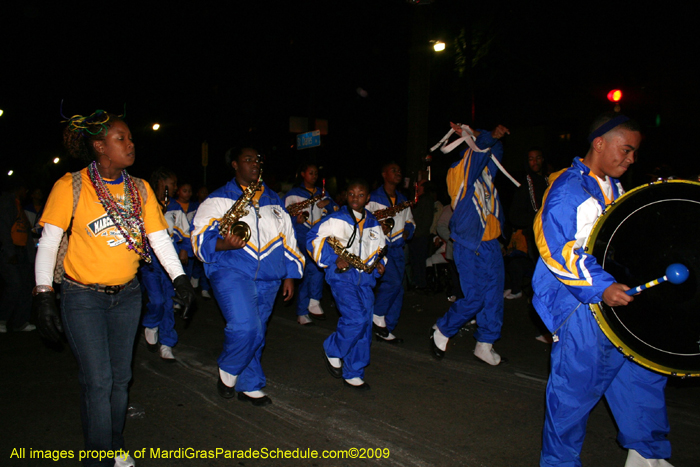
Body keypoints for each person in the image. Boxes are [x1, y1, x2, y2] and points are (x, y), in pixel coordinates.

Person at [32, 110, 195, 467]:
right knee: (99, 380)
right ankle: (99, 457)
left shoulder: (139, 188)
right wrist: (44, 294)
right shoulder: (71, 185)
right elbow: (48, 242)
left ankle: (114, 441)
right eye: (121, 138)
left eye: (130, 138)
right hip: (82, 298)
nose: (130, 143)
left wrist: (180, 279)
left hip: (128, 296)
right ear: (100, 146)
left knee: (121, 378)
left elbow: (158, 239)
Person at [532, 113, 673, 467]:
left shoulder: (615, 189)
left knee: (642, 377)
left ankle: (646, 456)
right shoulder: (568, 188)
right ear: (599, 143)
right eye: (626, 150)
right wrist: (604, 286)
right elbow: (557, 247)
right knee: (573, 395)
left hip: (618, 305)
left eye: (634, 153)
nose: (631, 159)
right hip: (581, 309)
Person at [191, 147, 303, 406]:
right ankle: (229, 370)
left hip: (270, 276)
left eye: (258, 159)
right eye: (248, 159)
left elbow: (289, 241)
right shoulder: (217, 200)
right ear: (234, 165)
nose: (254, 164)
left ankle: (249, 383)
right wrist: (224, 245)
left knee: (258, 332)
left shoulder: (274, 200)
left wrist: (290, 275)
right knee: (245, 326)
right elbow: (197, 241)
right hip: (230, 270)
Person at [429, 122, 510, 365]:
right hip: (468, 244)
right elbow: (478, 153)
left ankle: (485, 344)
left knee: (494, 296)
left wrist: (481, 135)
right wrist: (484, 138)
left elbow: (496, 152)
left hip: (490, 243)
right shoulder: (458, 173)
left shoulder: (484, 173)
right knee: (475, 297)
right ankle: (443, 329)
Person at [308, 179, 386, 390]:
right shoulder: (335, 219)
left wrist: (379, 264)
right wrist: (333, 259)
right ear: (346, 195)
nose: (355, 198)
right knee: (356, 318)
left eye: (360, 194)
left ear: (367, 198)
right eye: (351, 193)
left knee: (364, 328)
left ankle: (354, 372)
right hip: (342, 277)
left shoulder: (374, 223)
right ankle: (333, 348)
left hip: (365, 281)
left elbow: (380, 248)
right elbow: (312, 238)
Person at [140, 167, 191, 361]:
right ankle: (151, 323)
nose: (175, 187)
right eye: (173, 183)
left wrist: (185, 248)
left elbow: (186, 230)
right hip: (151, 261)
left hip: (170, 260)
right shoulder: (145, 202)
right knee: (157, 300)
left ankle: (167, 342)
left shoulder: (176, 207)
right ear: (161, 183)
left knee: (169, 302)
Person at [284, 162, 338, 325]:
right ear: (302, 174)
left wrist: (327, 204)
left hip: (317, 237)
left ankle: (303, 311)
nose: (314, 176)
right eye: (311, 173)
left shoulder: (323, 193)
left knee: (311, 273)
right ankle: (313, 301)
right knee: (314, 270)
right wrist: (296, 220)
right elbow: (282, 216)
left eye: (316, 173)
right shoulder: (293, 194)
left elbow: (337, 209)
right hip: (300, 236)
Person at [367, 162, 415, 344]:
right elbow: (363, 220)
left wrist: (407, 231)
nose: (398, 173)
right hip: (379, 248)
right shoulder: (373, 198)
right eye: (393, 170)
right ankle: (377, 314)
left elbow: (410, 221)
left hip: (398, 249)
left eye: (399, 170)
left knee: (398, 289)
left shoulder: (403, 200)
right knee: (393, 282)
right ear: (384, 174)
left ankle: (386, 328)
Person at [0, 177, 36, 333]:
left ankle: (20, 322)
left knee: (26, 287)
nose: (25, 193)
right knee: (14, 285)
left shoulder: (18, 205)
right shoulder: (7, 202)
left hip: (22, 251)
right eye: (24, 190)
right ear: (18, 188)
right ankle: (2, 319)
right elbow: (3, 227)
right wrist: (9, 251)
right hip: (10, 250)